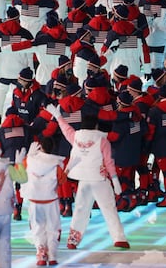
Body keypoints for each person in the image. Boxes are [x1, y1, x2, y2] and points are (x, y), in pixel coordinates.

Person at [47, 104, 129, 250]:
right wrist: (115, 180)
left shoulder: (76, 136)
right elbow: (109, 162)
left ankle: (72, 241)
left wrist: (58, 116)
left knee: (80, 209)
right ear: (96, 126)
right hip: (99, 179)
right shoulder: (103, 140)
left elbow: (66, 129)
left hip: (83, 179)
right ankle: (119, 238)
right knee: (109, 208)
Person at [22, 137, 66, 266]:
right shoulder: (57, 164)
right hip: (51, 200)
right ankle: (52, 255)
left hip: (34, 200)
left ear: (40, 147)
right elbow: (62, 180)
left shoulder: (29, 160)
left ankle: (41, 255)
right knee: (53, 228)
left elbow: (21, 173)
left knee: (37, 228)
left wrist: (28, 156)